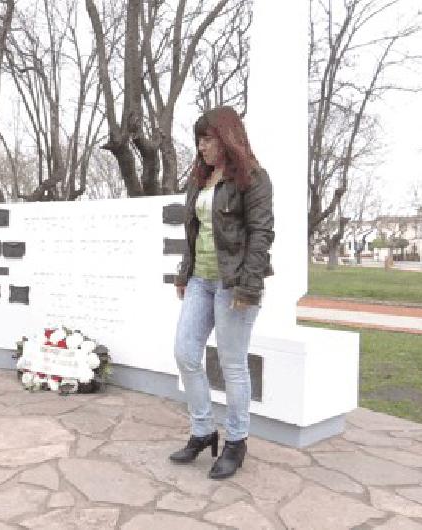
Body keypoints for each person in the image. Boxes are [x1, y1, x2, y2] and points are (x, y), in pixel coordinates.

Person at [169, 106, 274, 479]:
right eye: (199, 140)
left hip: (234, 285)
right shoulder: (201, 178)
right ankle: (202, 430)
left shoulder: (254, 179)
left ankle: (236, 441)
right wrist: (184, 273)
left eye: (208, 139)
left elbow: (261, 236)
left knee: (232, 365)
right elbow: (193, 233)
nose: (201, 147)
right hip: (201, 280)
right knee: (185, 353)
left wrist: (248, 287)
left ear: (227, 138)